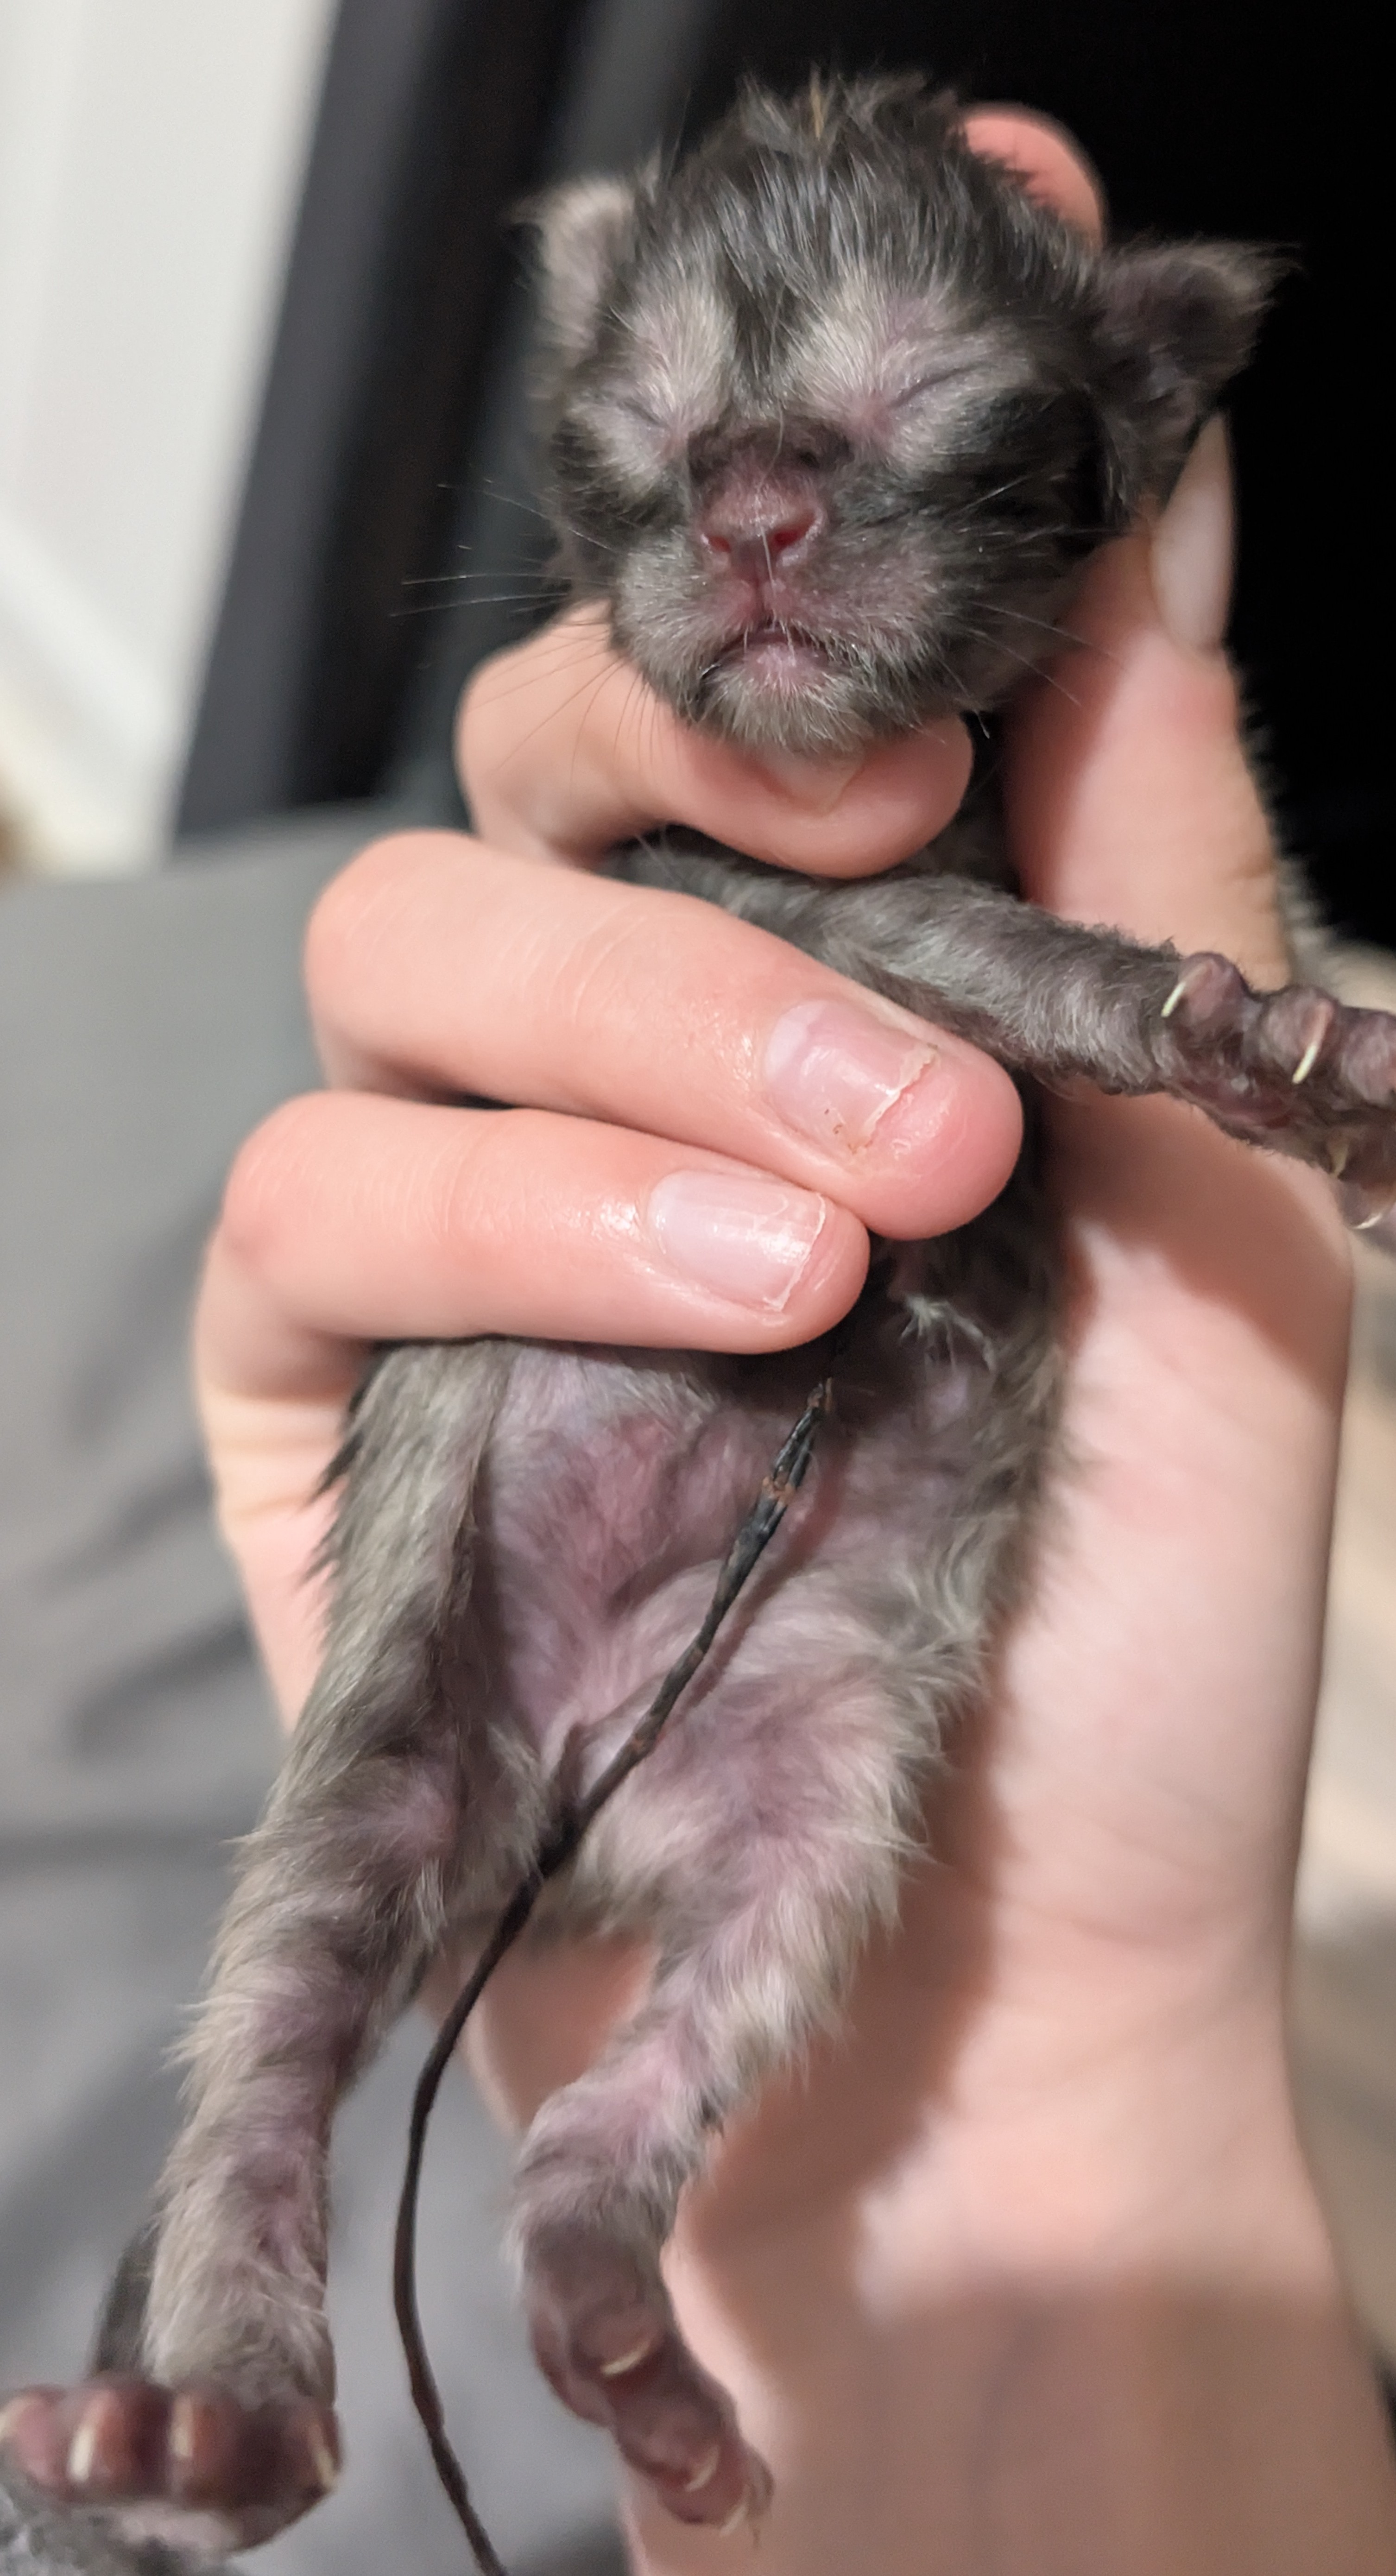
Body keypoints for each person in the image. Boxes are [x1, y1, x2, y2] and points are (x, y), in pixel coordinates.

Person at [93, 113, 1396, 2572]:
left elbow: (1008, 963)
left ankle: (617, 2176)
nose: (763, 512)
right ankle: (233, 2294)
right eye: (665, 449)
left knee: (793, 1834)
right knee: (374, 1802)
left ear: (1132, 412)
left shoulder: (1060, 820)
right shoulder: (722, 848)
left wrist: (1197, 1006)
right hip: (605, 1395)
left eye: (913, 419)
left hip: (843, 1575)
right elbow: (976, 972)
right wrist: (1180, 1014)